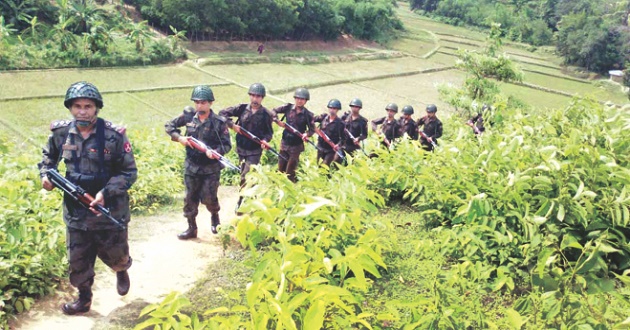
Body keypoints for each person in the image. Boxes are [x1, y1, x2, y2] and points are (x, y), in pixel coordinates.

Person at [38, 81, 137, 315]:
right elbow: (48, 159)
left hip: (109, 207)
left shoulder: (113, 136)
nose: (82, 111)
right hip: (76, 208)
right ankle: (84, 299)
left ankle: (121, 269)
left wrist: (106, 193)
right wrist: (46, 177)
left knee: (117, 253)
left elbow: (128, 172)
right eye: (77, 106)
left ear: (96, 108)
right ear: (70, 108)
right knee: (78, 260)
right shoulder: (61, 133)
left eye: (88, 106)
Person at [165, 85, 231, 239]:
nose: (200, 105)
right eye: (197, 102)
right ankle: (191, 228)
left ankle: (215, 217)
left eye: (203, 102)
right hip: (192, 166)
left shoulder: (218, 122)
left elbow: (226, 145)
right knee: (190, 198)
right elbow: (169, 125)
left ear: (210, 103)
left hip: (210, 168)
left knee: (209, 197)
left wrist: (215, 152)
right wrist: (179, 137)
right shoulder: (188, 117)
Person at [219, 83, 274, 211]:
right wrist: (232, 125)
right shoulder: (242, 108)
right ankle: (252, 197)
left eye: (258, 96)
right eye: (253, 96)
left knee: (246, 175)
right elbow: (221, 113)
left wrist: (265, 141)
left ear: (262, 98)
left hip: (255, 150)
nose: (255, 99)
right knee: (245, 173)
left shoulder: (266, 114)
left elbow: (269, 133)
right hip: (241, 148)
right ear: (249, 96)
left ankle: (242, 201)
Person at [272, 87, 315, 182]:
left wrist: (306, 134)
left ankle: (291, 190)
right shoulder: (287, 107)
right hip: (284, 144)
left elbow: (312, 129)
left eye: (302, 99)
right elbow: (273, 111)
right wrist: (276, 120)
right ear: (295, 98)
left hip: (296, 146)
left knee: (290, 172)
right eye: (298, 98)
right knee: (280, 169)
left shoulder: (308, 115)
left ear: (306, 101)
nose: (299, 101)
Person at [314, 99, 346, 167]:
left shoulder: (340, 124)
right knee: (318, 165)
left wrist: (338, 145)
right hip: (320, 147)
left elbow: (343, 138)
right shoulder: (323, 117)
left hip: (331, 150)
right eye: (330, 108)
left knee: (325, 166)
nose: (332, 110)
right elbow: (311, 120)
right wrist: (314, 129)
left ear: (337, 110)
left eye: (334, 108)